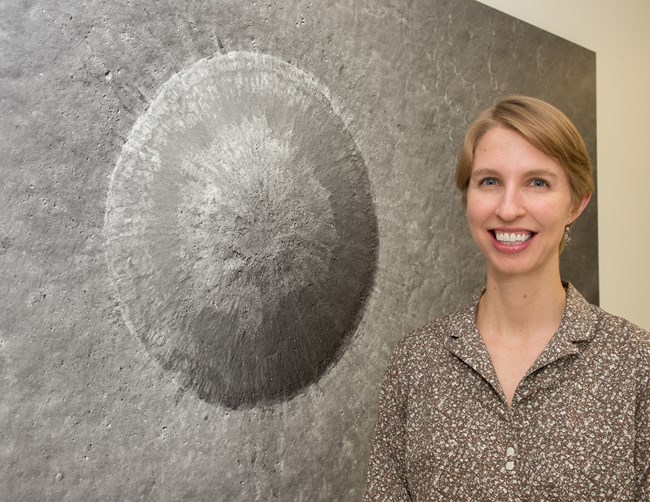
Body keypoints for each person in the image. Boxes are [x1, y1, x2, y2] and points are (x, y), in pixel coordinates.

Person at [363, 96, 650, 501]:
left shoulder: (637, 364)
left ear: (576, 203)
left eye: (538, 182)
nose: (509, 208)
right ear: (468, 201)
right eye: (490, 181)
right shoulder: (415, 362)